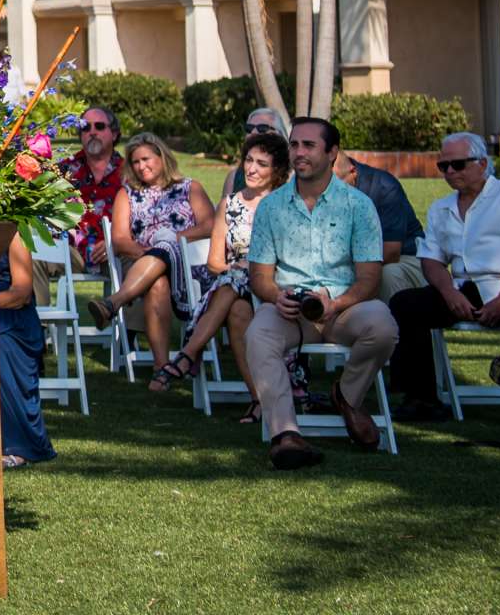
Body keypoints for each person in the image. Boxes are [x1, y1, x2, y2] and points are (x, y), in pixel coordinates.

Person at [245, 116, 399, 469]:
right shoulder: (272, 207)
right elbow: (259, 276)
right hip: (290, 308)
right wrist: (274, 296)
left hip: (344, 306)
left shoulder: (358, 205)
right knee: (258, 334)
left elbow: (370, 277)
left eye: (309, 145)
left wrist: (337, 303)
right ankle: (286, 434)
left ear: (332, 153)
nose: (299, 152)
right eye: (294, 144)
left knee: (383, 326)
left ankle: (346, 395)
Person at [386, 132, 500, 422]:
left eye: (459, 164)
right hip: (463, 287)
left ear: (482, 163)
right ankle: (421, 398)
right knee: (406, 303)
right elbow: (431, 259)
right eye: (444, 166)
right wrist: (449, 293)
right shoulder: (442, 207)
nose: (450, 172)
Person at [168, 131, 289, 420]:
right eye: (248, 160)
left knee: (236, 288)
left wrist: (254, 268)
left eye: (261, 163)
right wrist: (240, 271)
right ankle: (259, 399)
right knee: (236, 307)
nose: (251, 168)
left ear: (277, 171)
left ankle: (188, 353)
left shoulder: (286, 206)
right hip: (233, 283)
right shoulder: (229, 205)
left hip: (275, 284)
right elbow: (214, 263)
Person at [88, 132, 214, 390]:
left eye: (146, 159)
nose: (141, 166)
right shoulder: (128, 194)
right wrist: (153, 254)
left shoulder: (190, 187)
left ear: (162, 157)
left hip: (188, 267)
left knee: (166, 244)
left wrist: (173, 241)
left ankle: (114, 302)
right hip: (143, 263)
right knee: (157, 282)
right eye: (135, 162)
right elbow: (121, 240)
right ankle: (161, 368)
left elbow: (211, 225)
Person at [0, 231, 53, 467]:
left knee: (1, 344)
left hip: (11, 316)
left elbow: (22, 292)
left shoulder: (14, 231)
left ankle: (18, 447)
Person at [334, 142, 426, 300]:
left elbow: (391, 252)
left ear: (353, 172)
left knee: (386, 275)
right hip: (352, 259)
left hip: (407, 257)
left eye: (336, 185)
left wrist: (343, 268)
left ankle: (391, 323)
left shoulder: (384, 187)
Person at [58, 105, 125, 272]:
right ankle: (27, 298)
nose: (92, 132)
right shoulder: (63, 170)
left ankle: (118, 299)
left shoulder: (129, 172)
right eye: (85, 127)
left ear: (114, 134)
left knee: (140, 262)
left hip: (116, 250)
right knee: (33, 259)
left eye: (100, 126)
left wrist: (114, 242)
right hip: (71, 252)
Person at [220, 108, 287, 199]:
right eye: (249, 128)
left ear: (278, 134)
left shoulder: (294, 179)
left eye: (262, 128)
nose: (254, 132)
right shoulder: (234, 178)